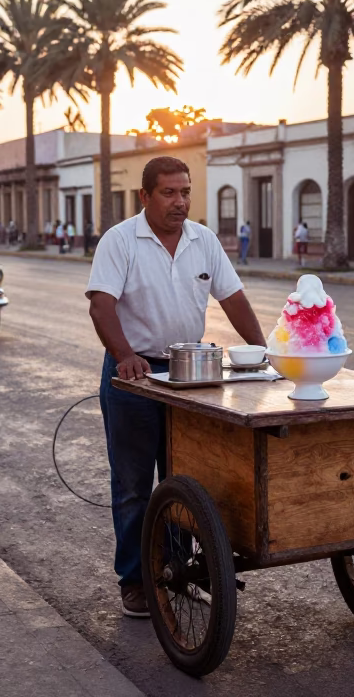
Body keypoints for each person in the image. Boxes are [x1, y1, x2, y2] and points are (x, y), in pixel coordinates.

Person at [86, 156, 265, 618]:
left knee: (185, 481)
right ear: (145, 196)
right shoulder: (120, 240)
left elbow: (234, 300)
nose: (180, 201)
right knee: (132, 485)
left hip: (189, 375)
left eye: (185, 192)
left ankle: (175, 571)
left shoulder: (203, 240)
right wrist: (126, 355)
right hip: (134, 377)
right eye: (168, 192)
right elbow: (102, 307)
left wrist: (265, 351)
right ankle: (135, 580)